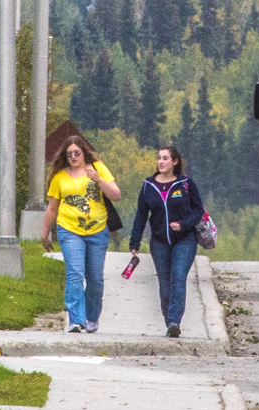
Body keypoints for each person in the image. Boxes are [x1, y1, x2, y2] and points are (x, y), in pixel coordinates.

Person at [44, 135, 123, 332]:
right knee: (75, 275)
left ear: (83, 152)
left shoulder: (97, 168)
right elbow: (52, 207)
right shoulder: (59, 177)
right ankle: (76, 320)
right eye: (69, 154)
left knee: (95, 278)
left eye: (76, 153)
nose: (73, 157)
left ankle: (91, 318)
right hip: (69, 230)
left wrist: (99, 180)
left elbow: (116, 194)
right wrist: (45, 232)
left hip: (97, 230)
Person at [127, 143, 207, 339]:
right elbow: (141, 215)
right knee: (165, 284)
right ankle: (169, 321)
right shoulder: (149, 185)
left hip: (184, 240)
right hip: (159, 242)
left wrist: (184, 224)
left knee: (178, 277)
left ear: (175, 161)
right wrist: (134, 243)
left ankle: (174, 321)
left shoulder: (186, 184)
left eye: (165, 158)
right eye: (159, 158)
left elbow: (198, 211)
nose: (161, 162)